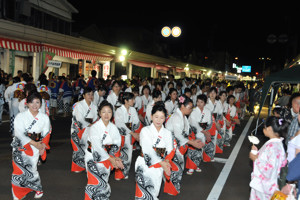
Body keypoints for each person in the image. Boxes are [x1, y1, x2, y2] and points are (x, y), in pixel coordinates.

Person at [11, 91, 51, 200]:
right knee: (18, 169)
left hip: (37, 144)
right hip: (21, 145)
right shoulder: (20, 116)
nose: (35, 105)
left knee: (31, 169)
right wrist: (35, 144)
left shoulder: (44, 117)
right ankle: (18, 193)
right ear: (27, 103)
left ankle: (37, 188)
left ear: (41, 104)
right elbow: (19, 133)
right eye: (32, 102)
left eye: (37, 102)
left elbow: (47, 133)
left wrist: (42, 145)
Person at [135, 101, 175, 200]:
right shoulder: (145, 130)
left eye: (162, 117)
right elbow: (147, 150)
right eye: (156, 117)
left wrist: (166, 162)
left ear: (165, 118)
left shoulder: (167, 133)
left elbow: (170, 150)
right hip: (145, 164)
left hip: (159, 166)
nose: (158, 120)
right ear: (151, 116)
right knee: (143, 194)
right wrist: (163, 163)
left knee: (154, 192)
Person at [84, 100, 124, 200]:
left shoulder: (113, 128)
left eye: (109, 112)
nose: (106, 114)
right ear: (99, 113)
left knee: (104, 181)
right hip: (93, 157)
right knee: (94, 182)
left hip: (108, 157)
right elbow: (97, 146)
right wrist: (111, 159)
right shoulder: (94, 127)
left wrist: (116, 158)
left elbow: (116, 145)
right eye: (104, 112)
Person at [164, 94, 203, 196]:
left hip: (177, 143)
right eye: (189, 108)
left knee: (178, 166)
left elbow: (186, 132)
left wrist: (193, 140)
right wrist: (192, 142)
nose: (190, 110)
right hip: (171, 144)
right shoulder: (177, 117)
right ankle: (171, 188)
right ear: (182, 107)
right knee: (176, 166)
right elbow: (177, 135)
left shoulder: (183, 117)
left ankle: (173, 187)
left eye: (191, 108)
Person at [249, 116, 288, 200]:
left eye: (264, 127)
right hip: (270, 185)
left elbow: (269, 169)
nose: (264, 129)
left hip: (264, 188)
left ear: (269, 128)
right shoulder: (278, 144)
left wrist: (255, 159)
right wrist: (257, 152)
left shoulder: (273, 147)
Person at [114, 92, 142, 180]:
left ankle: (124, 172)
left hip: (130, 135)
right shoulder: (119, 110)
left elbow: (136, 122)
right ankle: (118, 174)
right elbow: (120, 124)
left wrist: (136, 132)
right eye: (132, 99)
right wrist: (132, 132)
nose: (133, 101)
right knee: (119, 154)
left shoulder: (133, 109)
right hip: (121, 135)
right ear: (126, 101)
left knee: (128, 155)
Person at [70, 87, 98, 173]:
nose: (90, 96)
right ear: (83, 95)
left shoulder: (94, 106)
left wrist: (93, 124)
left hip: (89, 129)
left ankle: (87, 165)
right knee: (78, 148)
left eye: (92, 94)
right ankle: (77, 167)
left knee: (88, 147)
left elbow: (96, 117)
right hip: (78, 129)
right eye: (88, 94)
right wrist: (90, 124)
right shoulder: (79, 105)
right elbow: (79, 119)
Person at [187, 94, 211, 175]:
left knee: (199, 150)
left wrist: (206, 131)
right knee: (192, 150)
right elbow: (194, 123)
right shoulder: (193, 111)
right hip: (193, 133)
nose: (199, 104)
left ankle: (196, 165)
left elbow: (209, 122)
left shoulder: (207, 111)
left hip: (202, 133)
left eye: (201, 102)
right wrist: (204, 131)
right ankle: (191, 167)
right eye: (197, 101)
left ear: (205, 103)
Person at [203, 87, 224, 161]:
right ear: (208, 94)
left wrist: (219, 123)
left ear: (216, 94)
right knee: (206, 139)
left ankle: (211, 156)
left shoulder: (218, 103)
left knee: (213, 139)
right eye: (211, 92)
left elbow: (220, 114)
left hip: (215, 123)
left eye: (214, 93)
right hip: (207, 124)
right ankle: (205, 156)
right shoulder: (205, 102)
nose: (212, 94)